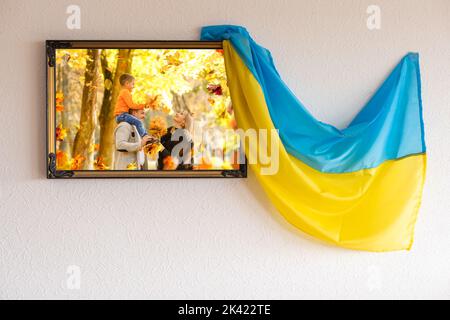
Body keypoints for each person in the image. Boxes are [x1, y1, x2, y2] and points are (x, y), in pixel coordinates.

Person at [114, 73, 151, 138]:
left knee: (137, 123)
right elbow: (131, 105)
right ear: (127, 83)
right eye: (133, 84)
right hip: (122, 115)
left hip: (123, 115)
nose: (134, 86)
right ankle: (145, 137)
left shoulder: (125, 92)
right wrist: (143, 105)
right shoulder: (125, 92)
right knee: (138, 122)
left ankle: (145, 135)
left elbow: (131, 105)